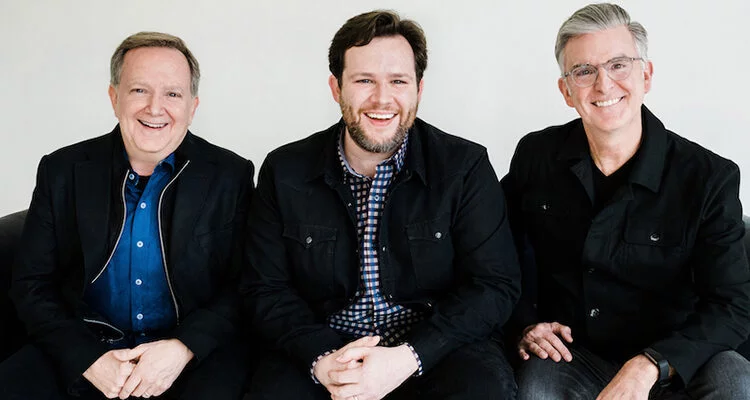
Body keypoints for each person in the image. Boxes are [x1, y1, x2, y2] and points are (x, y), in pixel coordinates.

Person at [243, 10, 520, 400]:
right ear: (336, 88)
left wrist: (408, 357)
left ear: (418, 89)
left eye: (398, 81)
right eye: (364, 81)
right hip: (323, 347)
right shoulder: (284, 170)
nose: (382, 99)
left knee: (484, 391)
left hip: (436, 348)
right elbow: (265, 288)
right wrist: (324, 359)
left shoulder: (464, 167)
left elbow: (494, 285)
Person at [502, 3, 750, 399]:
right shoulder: (537, 156)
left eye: (618, 65)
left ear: (645, 75)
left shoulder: (708, 177)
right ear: (566, 91)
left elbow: (733, 307)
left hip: (678, 361)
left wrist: (650, 364)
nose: (604, 85)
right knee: (535, 385)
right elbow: (498, 256)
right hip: (575, 356)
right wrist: (525, 326)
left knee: (737, 381)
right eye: (584, 71)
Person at [1, 32, 254, 399]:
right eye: (139, 90)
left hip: (187, 353)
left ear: (193, 107)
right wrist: (88, 358)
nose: (155, 108)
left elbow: (246, 283)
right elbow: (31, 284)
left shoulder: (231, 175)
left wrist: (183, 347)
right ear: (113, 97)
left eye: (173, 94)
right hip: (83, 344)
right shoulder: (62, 170)